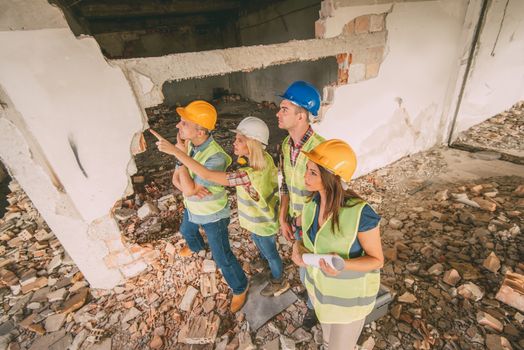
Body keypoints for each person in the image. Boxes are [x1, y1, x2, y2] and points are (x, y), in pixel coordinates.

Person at [154, 116, 290, 297]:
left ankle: (279, 280)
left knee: (271, 252)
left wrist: (177, 152)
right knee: (260, 244)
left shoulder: (246, 175)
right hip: (260, 219)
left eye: (240, 140)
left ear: (253, 144)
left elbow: (208, 175)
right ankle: (264, 261)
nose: (234, 143)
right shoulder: (264, 159)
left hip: (263, 223)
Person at [150, 100, 248, 312]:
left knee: (222, 257)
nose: (178, 126)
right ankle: (196, 247)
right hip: (193, 207)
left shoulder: (216, 158)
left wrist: (179, 156)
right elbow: (178, 183)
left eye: (184, 123)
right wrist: (181, 158)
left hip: (212, 215)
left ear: (201, 131)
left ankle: (240, 287)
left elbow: (185, 186)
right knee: (185, 230)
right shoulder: (190, 147)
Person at [291, 139, 384, 350]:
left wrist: (342, 265)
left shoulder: (361, 213)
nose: (305, 176)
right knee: (327, 341)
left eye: (313, 172)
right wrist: (297, 249)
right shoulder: (311, 204)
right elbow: (305, 241)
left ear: (332, 177)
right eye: (307, 169)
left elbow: (377, 260)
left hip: (349, 302)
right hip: (321, 296)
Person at [276, 80, 325, 328]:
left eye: (284, 109)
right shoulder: (286, 145)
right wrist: (283, 216)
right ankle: (312, 297)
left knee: (312, 266)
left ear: (302, 115)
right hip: (296, 220)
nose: (277, 113)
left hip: (313, 224)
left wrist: (302, 227)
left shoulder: (321, 149)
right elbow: (284, 183)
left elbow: (328, 197)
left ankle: (315, 308)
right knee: (303, 265)